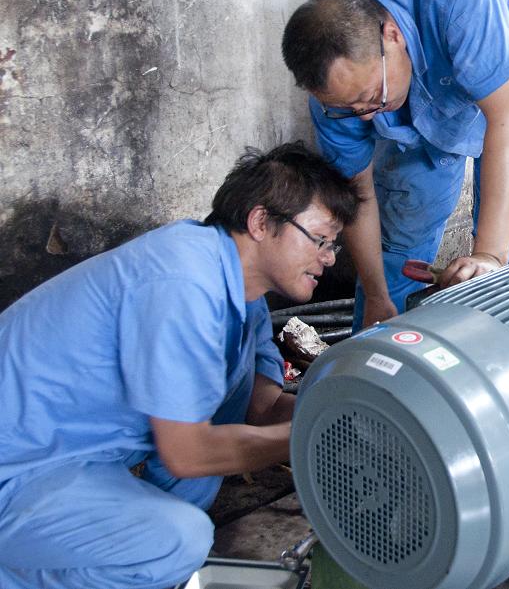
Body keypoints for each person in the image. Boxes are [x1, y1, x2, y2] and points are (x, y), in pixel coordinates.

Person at [0, 142, 361, 589]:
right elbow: (188, 453)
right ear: (260, 222)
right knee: (175, 541)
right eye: (321, 239)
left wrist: (356, 416)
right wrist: (315, 434)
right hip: (18, 469)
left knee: (219, 424)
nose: (329, 257)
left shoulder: (241, 297)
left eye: (333, 245)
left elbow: (262, 409)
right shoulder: (183, 281)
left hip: (72, 461)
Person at [281, 0, 509, 327]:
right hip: (421, 65)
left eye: (372, 97)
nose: (367, 115)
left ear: (392, 35)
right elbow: (358, 194)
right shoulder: (337, 99)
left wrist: (490, 255)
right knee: (405, 229)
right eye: (352, 108)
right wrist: (378, 297)